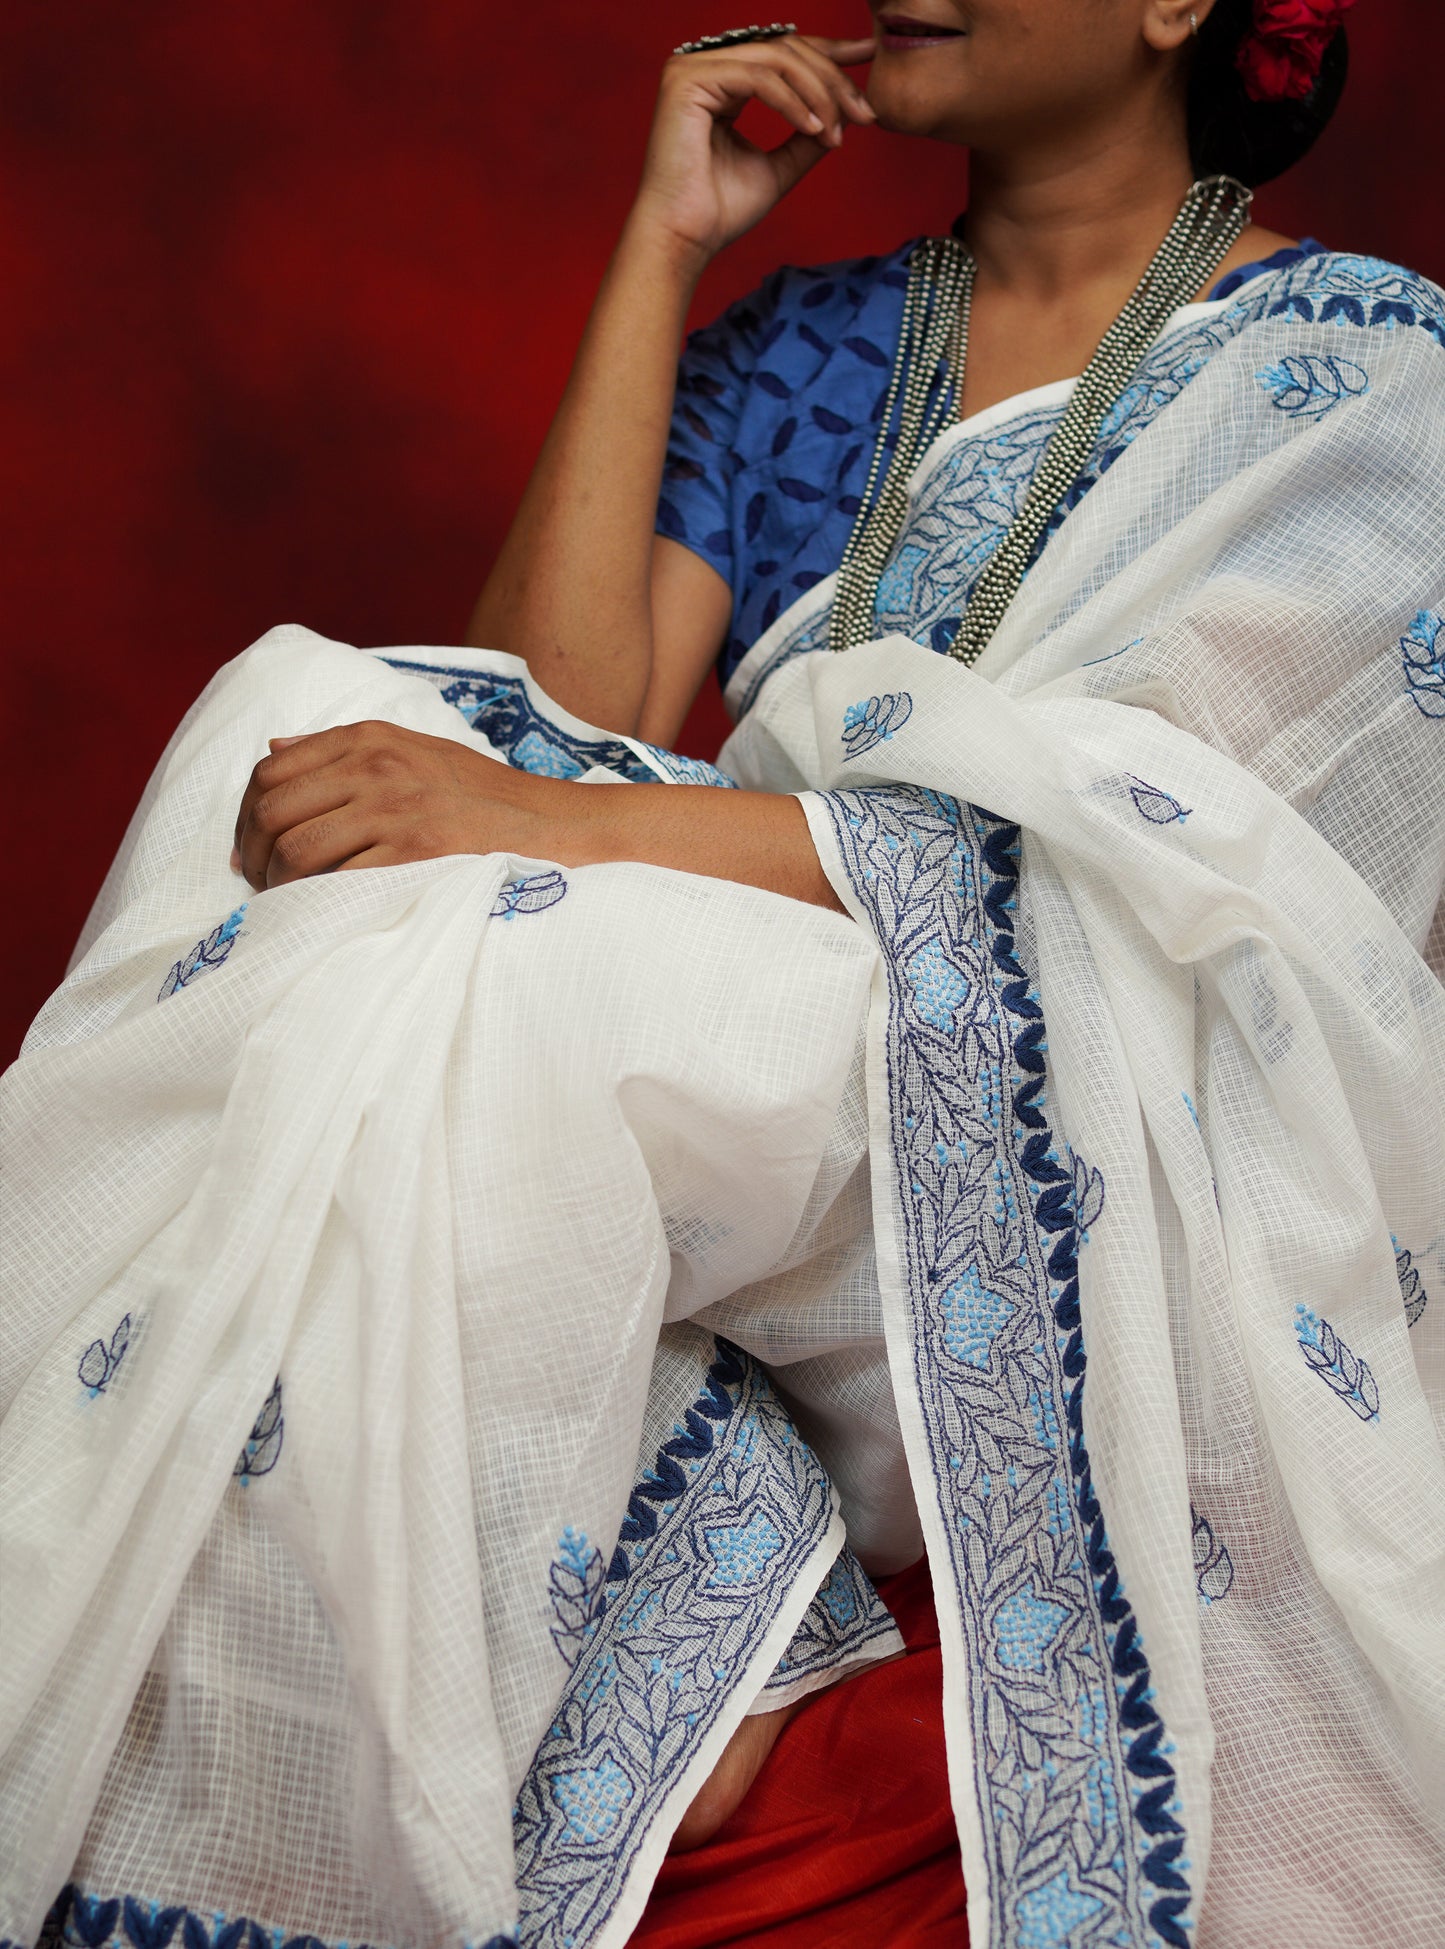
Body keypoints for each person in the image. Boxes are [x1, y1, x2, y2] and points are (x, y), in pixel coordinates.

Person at [3, 2, 1443, 1947]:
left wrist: (551, 822)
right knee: (299, 714)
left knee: (502, 986)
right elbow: (529, 719)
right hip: (759, 1058)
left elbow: (1155, 878)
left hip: (1090, 1125)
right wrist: (663, 241)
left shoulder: (1359, 376)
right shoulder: (810, 352)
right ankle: (711, 1606)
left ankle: (580, 1699)